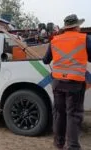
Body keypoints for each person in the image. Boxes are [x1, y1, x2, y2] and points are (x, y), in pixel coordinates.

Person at [42, 14, 91, 150]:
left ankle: (59, 143)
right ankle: (73, 146)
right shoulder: (85, 38)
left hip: (57, 83)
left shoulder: (55, 40)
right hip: (75, 83)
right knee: (73, 114)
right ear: (76, 26)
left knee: (59, 113)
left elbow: (45, 60)